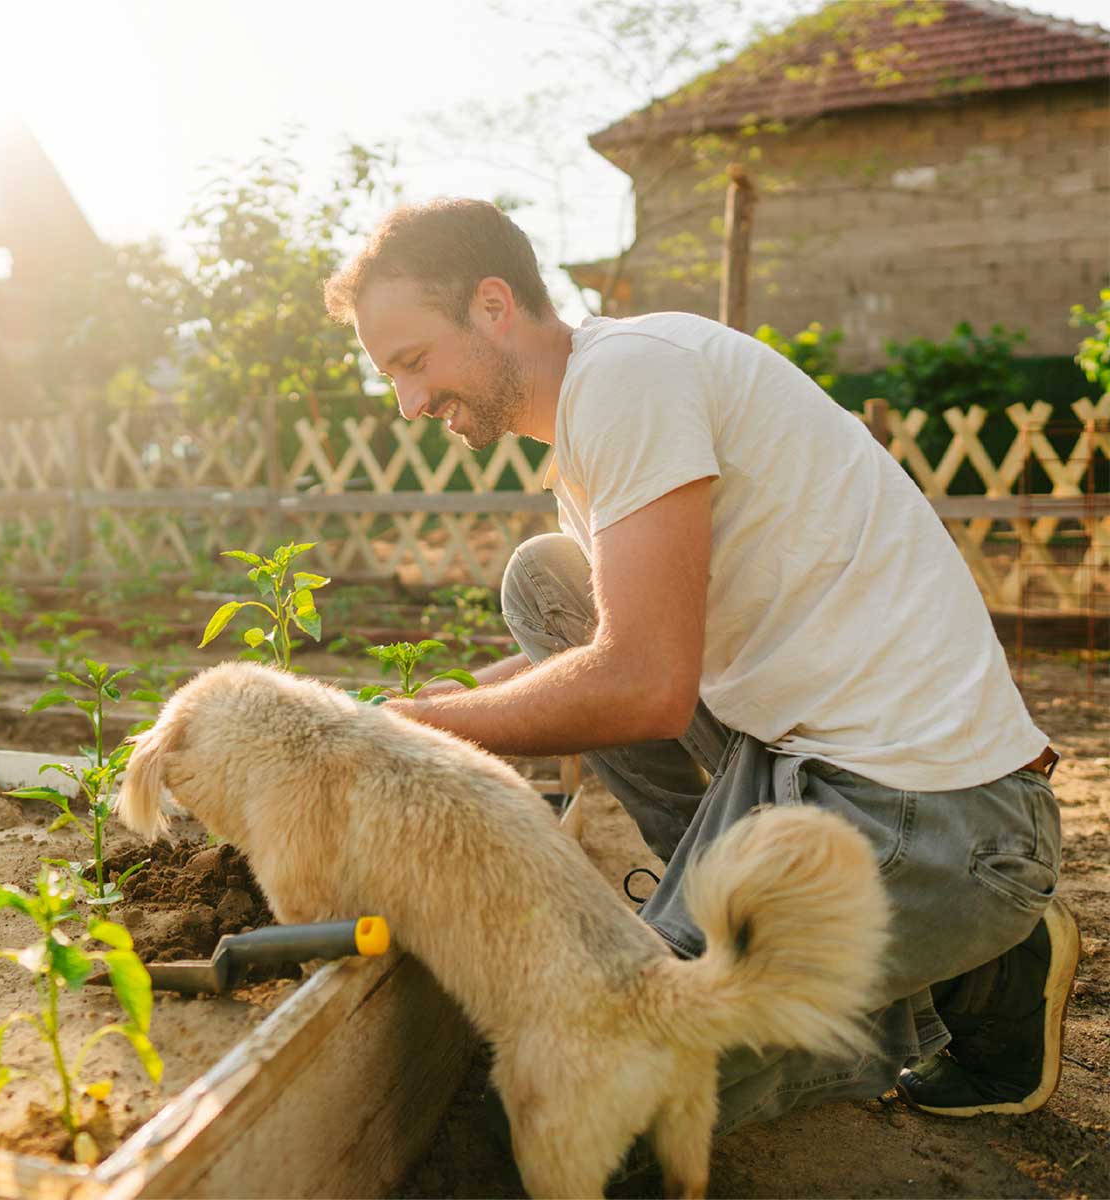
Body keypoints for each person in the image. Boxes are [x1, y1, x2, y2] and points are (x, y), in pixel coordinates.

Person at [320, 198, 1078, 1131]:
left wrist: (407, 730)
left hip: (931, 816)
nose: (408, 403)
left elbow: (643, 684)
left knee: (611, 1110)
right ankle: (796, 932)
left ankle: (950, 966)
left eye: (410, 362)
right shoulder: (597, 414)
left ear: (491, 306)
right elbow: (616, 641)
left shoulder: (631, 381)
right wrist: (449, 698)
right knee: (546, 586)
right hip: (804, 759)